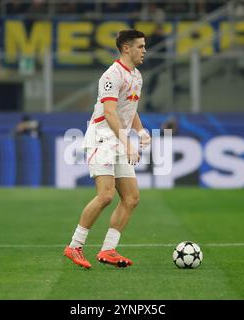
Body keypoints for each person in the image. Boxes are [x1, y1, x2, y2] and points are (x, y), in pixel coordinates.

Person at [64, 29, 151, 269]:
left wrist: (141, 131)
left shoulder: (136, 76)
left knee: (131, 198)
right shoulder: (111, 76)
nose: (144, 50)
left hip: (118, 137)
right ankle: (75, 245)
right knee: (106, 195)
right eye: (140, 46)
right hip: (102, 137)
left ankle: (108, 250)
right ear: (126, 48)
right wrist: (127, 142)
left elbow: (129, 109)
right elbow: (110, 113)